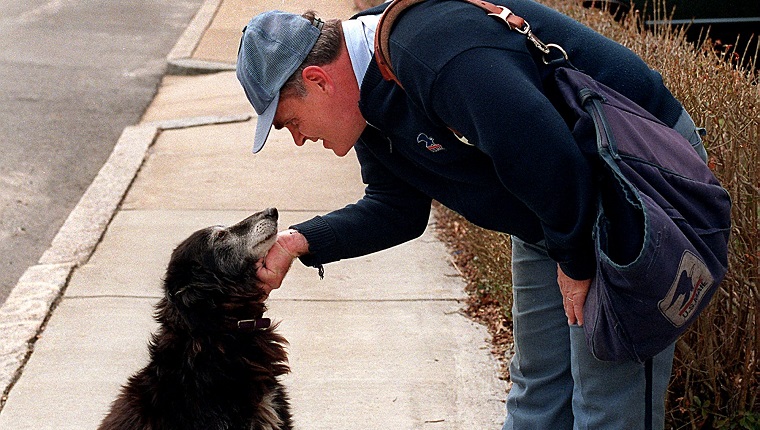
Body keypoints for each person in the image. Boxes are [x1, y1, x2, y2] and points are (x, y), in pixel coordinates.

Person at [235, 1, 706, 428]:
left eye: (290, 122)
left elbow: (549, 157)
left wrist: (577, 263)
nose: (298, 138)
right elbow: (397, 207)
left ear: (318, 79)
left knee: (606, 403)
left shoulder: (432, 53)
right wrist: (299, 242)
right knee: (538, 389)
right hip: (552, 207)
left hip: (627, 184)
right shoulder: (366, 95)